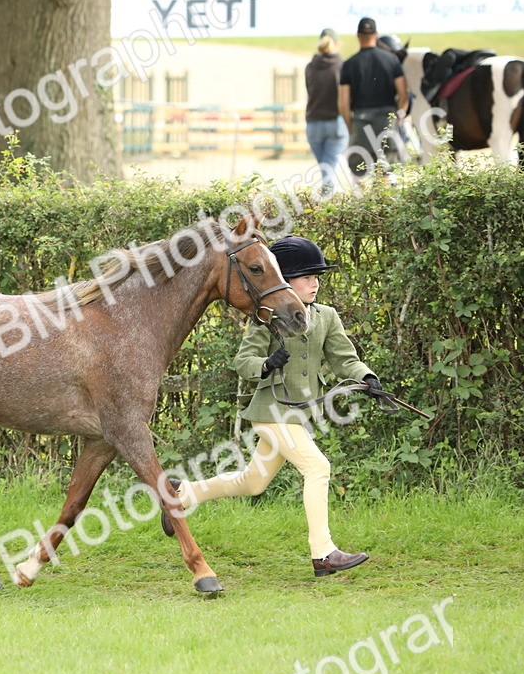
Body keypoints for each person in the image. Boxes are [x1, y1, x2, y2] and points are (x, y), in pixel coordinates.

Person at [162, 236, 380, 577]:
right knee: (318, 468)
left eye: (316, 277)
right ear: (286, 280)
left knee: (253, 482)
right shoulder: (268, 317)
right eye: (306, 277)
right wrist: (266, 364)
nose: (314, 283)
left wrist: (367, 377)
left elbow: (344, 359)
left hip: (299, 415)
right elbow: (243, 361)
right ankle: (323, 554)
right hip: (272, 412)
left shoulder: (327, 316)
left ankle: (182, 494)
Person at [339, 17, 408, 182]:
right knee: (386, 173)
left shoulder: (349, 64)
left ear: (358, 35)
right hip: (387, 121)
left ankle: (364, 199)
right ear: (376, 35)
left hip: (361, 123)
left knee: (359, 174)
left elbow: (343, 102)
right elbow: (403, 93)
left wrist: (350, 126)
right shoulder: (391, 60)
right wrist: (398, 117)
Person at [304, 28, 348, 196]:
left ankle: (327, 195)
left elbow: (309, 90)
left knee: (325, 167)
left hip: (313, 123)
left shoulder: (310, 67)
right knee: (329, 167)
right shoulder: (342, 66)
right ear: (337, 43)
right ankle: (327, 197)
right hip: (335, 122)